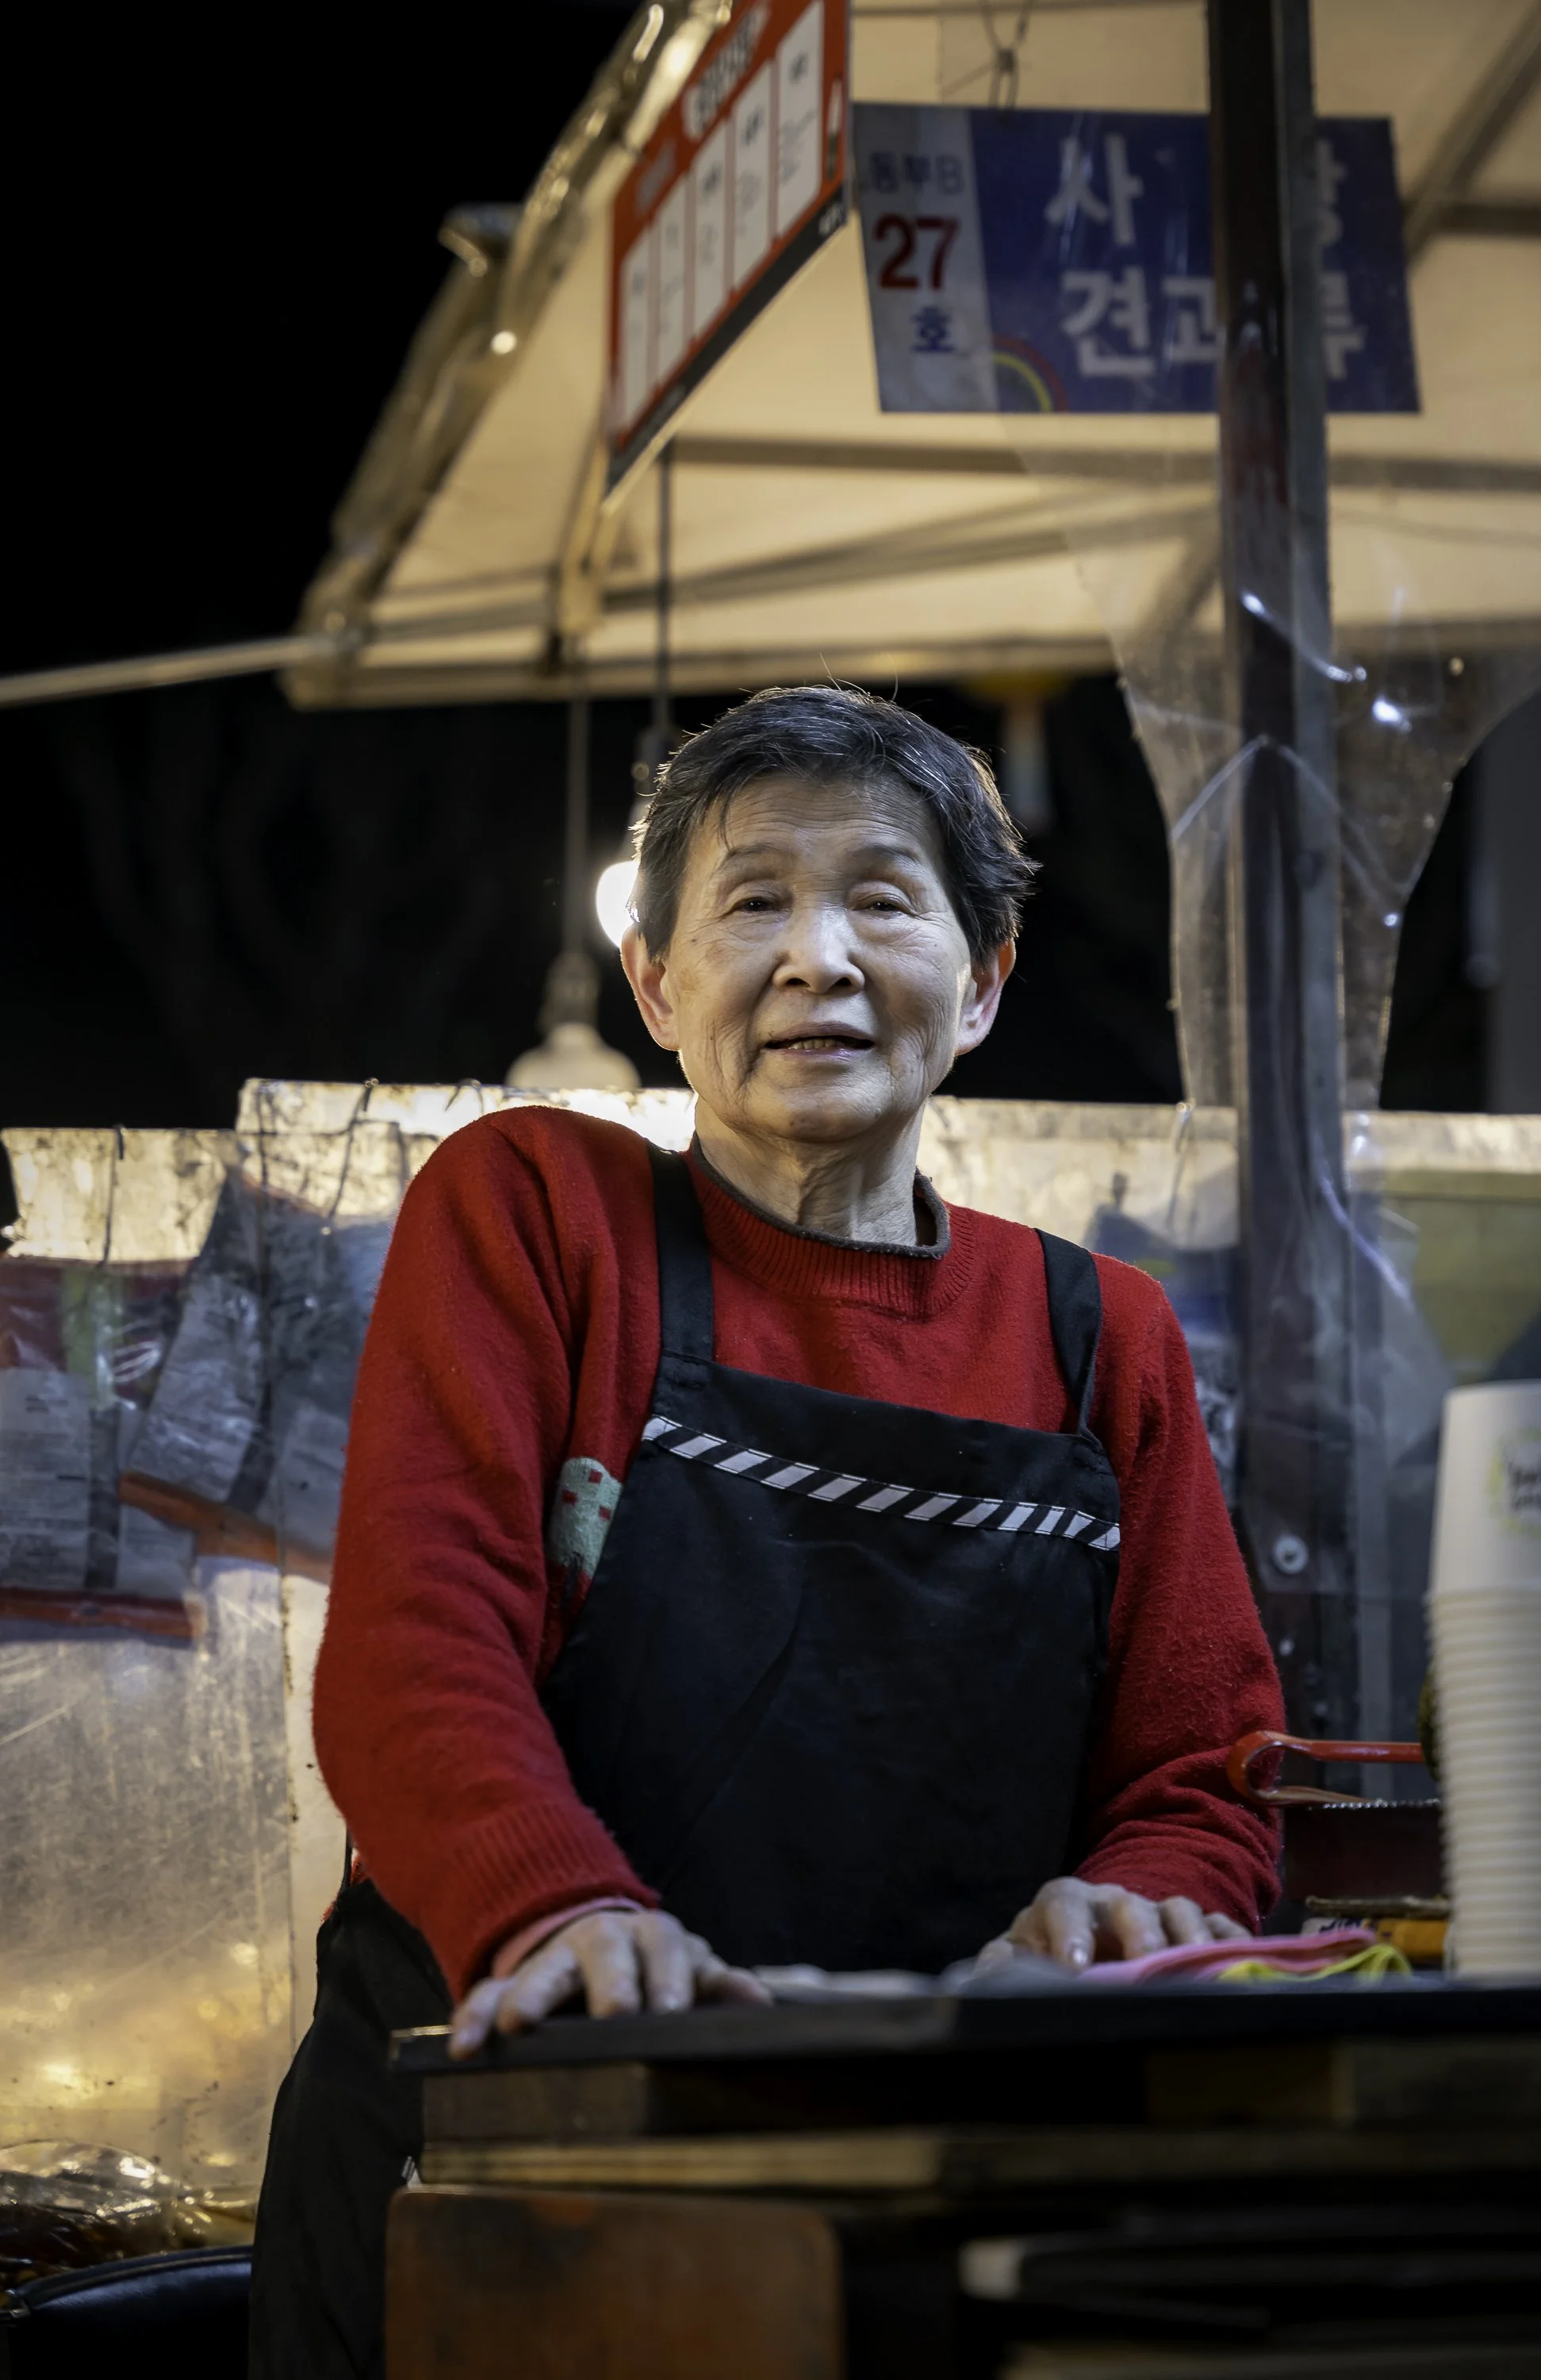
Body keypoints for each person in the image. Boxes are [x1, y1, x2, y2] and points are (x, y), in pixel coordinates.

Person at [250, 686, 1283, 2377]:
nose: (817, 956)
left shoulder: (1106, 1336)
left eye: (884, 897)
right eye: (752, 902)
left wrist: (1134, 1909)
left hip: (934, 2194)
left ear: (983, 983)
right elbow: (414, 1654)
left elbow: (1205, 1772)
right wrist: (559, 1913)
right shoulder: (536, 1216)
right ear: (658, 986)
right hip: (506, 2160)